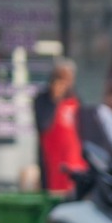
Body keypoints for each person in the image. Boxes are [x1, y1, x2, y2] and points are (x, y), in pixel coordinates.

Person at [35, 60, 82, 197]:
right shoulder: (43, 100)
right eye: (62, 78)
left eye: (69, 79)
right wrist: (54, 100)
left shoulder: (75, 99)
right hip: (52, 166)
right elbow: (43, 125)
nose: (66, 83)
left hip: (74, 164)